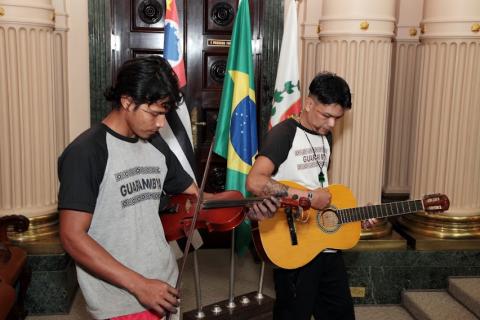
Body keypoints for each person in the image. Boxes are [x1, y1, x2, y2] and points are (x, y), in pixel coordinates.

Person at [58, 56, 278, 320]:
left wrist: (247, 209)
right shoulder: (86, 152)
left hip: (164, 283)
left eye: (165, 114)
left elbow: (197, 199)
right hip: (121, 298)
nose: (161, 124)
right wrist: (140, 285)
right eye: (155, 113)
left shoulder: (155, 144)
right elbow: (72, 236)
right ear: (127, 101)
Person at [246, 72, 376, 320]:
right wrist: (307, 197)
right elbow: (255, 181)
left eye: (338, 118)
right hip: (293, 243)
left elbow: (322, 190)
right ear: (308, 104)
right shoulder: (284, 134)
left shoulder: (325, 136)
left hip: (325, 244)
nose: (331, 125)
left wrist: (359, 216)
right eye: (326, 115)